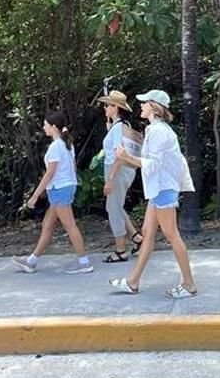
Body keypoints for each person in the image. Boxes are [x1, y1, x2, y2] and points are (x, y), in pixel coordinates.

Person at [109, 90, 198, 298]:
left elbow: (154, 165)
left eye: (144, 103)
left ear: (154, 107)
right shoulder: (155, 130)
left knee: (172, 235)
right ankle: (132, 282)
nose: (140, 106)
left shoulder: (158, 131)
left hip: (163, 189)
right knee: (148, 235)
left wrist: (126, 157)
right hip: (159, 189)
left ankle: (189, 284)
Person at [12, 111, 93, 275]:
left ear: (54, 127)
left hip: (59, 189)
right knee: (47, 225)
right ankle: (32, 261)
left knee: (69, 225)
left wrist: (35, 195)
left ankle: (84, 262)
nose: (43, 128)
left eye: (45, 125)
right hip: (63, 188)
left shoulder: (57, 146)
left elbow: (50, 173)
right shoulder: (66, 144)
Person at [97, 91, 142, 262]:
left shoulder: (117, 129)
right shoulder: (123, 125)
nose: (105, 108)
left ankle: (121, 249)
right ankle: (136, 237)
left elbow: (118, 155)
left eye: (107, 105)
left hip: (117, 170)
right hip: (124, 170)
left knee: (114, 209)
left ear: (115, 108)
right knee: (115, 206)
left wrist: (110, 179)